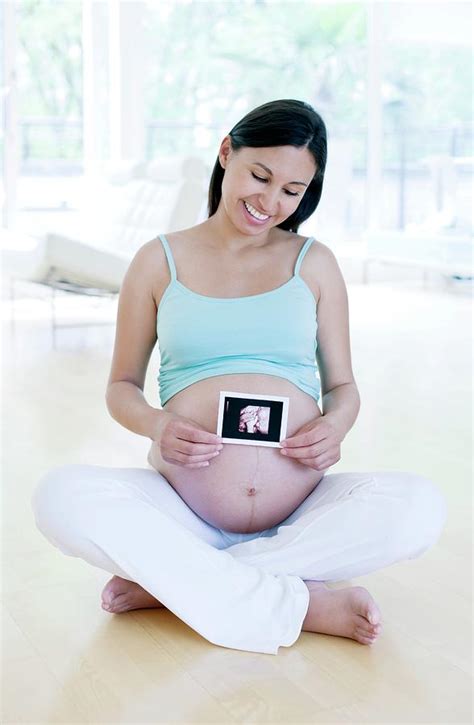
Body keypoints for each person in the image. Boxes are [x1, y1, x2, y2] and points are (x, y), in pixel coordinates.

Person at [31, 99, 447, 656]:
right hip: (184, 510)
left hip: (301, 511)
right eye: (260, 176)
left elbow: (343, 388)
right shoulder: (159, 260)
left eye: (292, 192)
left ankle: (176, 583)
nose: (270, 202)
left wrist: (336, 426)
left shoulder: (314, 262)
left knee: (420, 507)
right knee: (59, 497)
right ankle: (302, 603)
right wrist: (156, 425)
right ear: (227, 151)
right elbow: (120, 387)